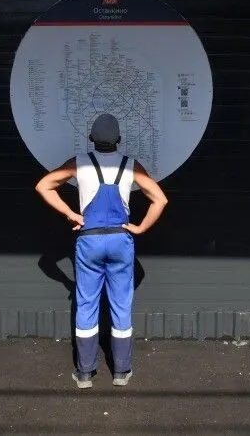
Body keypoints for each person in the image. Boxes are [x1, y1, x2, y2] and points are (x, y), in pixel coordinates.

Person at [35, 113, 168, 388]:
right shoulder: (131, 166)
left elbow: (43, 186)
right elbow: (160, 199)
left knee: (86, 304)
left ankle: (85, 374)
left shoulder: (79, 163)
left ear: (91, 138)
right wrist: (140, 228)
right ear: (119, 139)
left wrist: (71, 214)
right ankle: (121, 372)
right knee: (121, 306)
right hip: (120, 240)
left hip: (90, 240)